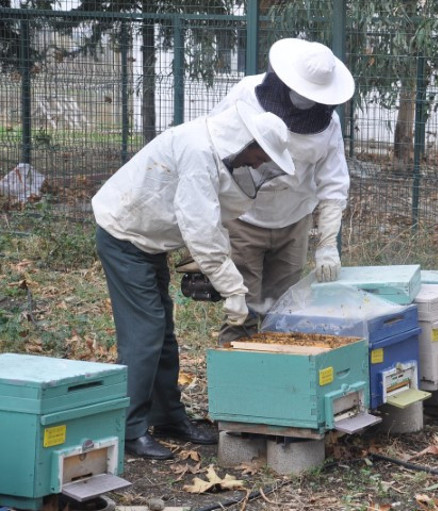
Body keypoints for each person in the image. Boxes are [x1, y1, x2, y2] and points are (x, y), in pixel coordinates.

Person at [92, 101, 294, 460]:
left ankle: (168, 418)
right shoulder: (201, 152)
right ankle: (129, 431)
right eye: (261, 156)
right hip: (123, 235)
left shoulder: (215, 150)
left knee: (162, 333)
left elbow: (208, 218)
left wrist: (216, 268)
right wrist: (232, 288)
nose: (260, 165)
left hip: (147, 240)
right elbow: (199, 226)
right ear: (249, 142)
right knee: (145, 333)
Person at [211, 38, 355, 344]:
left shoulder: (328, 123)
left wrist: (328, 243)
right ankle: (235, 384)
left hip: (293, 222)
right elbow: (213, 145)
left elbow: (334, 184)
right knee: (243, 312)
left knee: (284, 313)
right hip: (243, 217)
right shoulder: (245, 94)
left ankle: (277, 385)